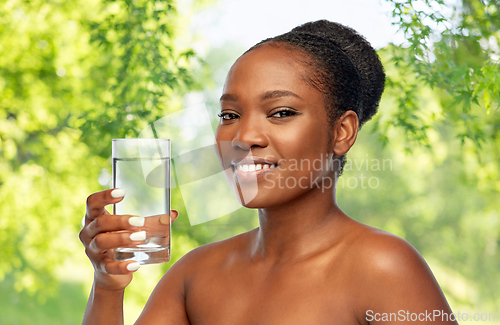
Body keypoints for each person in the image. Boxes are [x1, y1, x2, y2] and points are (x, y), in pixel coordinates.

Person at [80, 20, 458, 324]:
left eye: (281, 113)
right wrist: (108, 285)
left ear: (342, 132)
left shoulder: (382, 267)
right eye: (230, 116)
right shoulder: (195, 275)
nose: (243, 137)